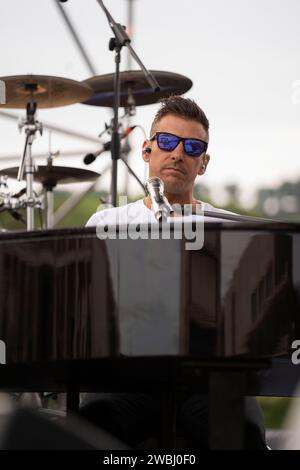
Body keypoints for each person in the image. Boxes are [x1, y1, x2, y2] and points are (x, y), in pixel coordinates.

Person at [82, 96, 267, 449]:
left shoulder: (224, 227)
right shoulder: (106, 223)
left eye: (192, 147)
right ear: (147, 150)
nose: (178, 153)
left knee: (244, 433)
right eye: (167, 142)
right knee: (92, 424)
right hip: (125, 377)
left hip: (209, 378)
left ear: (204, 163)